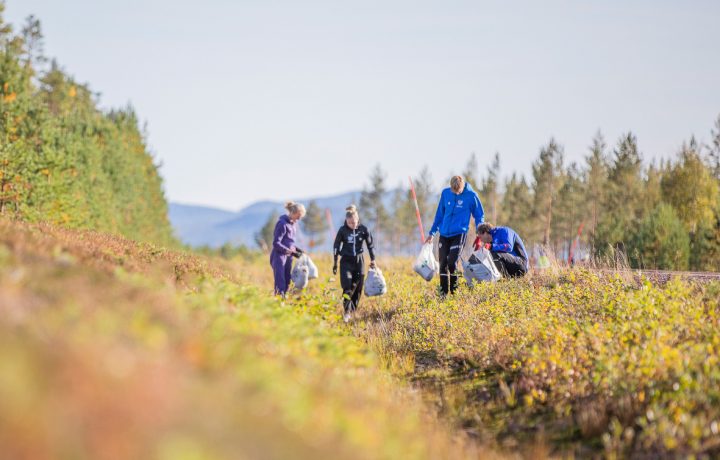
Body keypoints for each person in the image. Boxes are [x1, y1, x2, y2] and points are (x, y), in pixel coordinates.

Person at [425, 175, 485, 296]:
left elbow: (479, 215)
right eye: (454, 190)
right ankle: (443, 294)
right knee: (442, 264)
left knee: (452, 262)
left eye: (459, 191)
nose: (456, 193)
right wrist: (432, 232)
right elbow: (439, 215)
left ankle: (454, 293)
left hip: (459, 233)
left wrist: (480, 233)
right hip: (444, 234)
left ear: (462, 187)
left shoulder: (471, 196)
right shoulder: (445, 193)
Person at [333, 205, 376, 323]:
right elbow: (336, 246)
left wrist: (373, 259)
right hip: (346, 261)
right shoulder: (342, 230)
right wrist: (335, 262)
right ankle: (347, 311)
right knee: (347, 286)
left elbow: (370, 245)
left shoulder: (363, 229)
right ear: (346, 221)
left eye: (354, 223)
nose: (352, 225)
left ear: (358, 220)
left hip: (359, 261)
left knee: (357, 288)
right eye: (350, 223)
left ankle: (353, 311)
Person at [270, 201, 306, 297]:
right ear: (293, 213)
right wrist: (288, 251)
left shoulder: (293, 225)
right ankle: (278, 302)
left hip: (288, 257)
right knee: (280, 282)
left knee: (287, 280)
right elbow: (276, 243)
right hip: (279, 257)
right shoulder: (282, 224)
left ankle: (283, 301)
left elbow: (289, 242)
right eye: (299, 216)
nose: (299, 218)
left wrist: (298, 250)